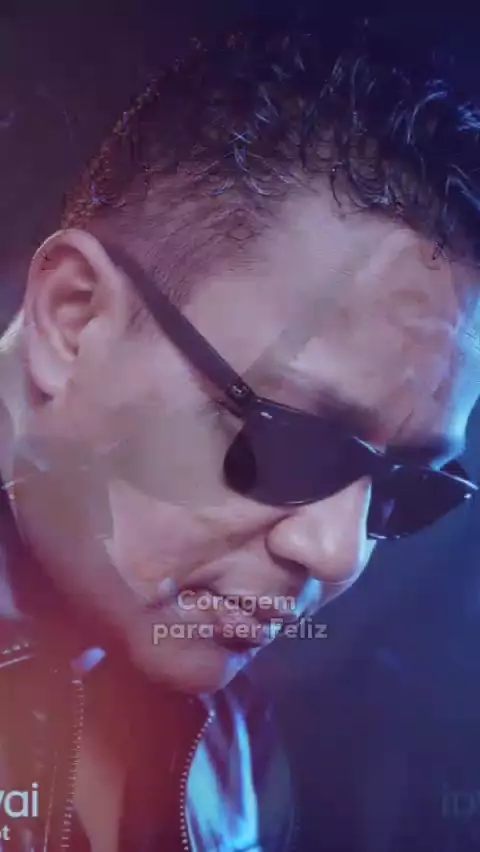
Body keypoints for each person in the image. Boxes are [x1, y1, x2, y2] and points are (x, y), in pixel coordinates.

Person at [0, 6, 479, 851]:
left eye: (406, 493)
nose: (338, 554)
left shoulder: (241, 755)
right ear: (74, 319)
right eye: (290, 442)